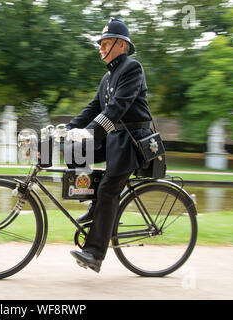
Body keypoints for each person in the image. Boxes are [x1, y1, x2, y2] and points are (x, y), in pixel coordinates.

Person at [64, 18, 154, 273]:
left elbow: (117, 108)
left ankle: (94, 253)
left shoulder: (132, 68)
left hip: (132, 139)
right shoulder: (107, 76)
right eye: (100, 43)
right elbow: (94, 107)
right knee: (73, 149)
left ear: (122, 45)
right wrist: (70, 129)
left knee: (109, 190)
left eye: (106, 43)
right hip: (114, 138)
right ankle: (92, 203)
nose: (101, 48)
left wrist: (90, 132)